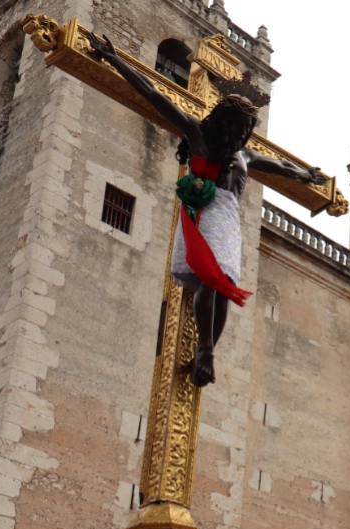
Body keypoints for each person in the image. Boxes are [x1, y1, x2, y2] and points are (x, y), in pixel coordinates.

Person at [86, 33, 327, 388]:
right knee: (211, 279)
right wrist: (114, 58)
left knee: (225, 282)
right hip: (204, 215)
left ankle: (210, 345)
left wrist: (307, 174)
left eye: (248, 130)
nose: (243, 136)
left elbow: (285, 168)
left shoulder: (246, 156)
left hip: (229, 220)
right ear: (224, 122)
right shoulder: (198, 135)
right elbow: (153, 95)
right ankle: (205, 349)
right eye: (240, 128)